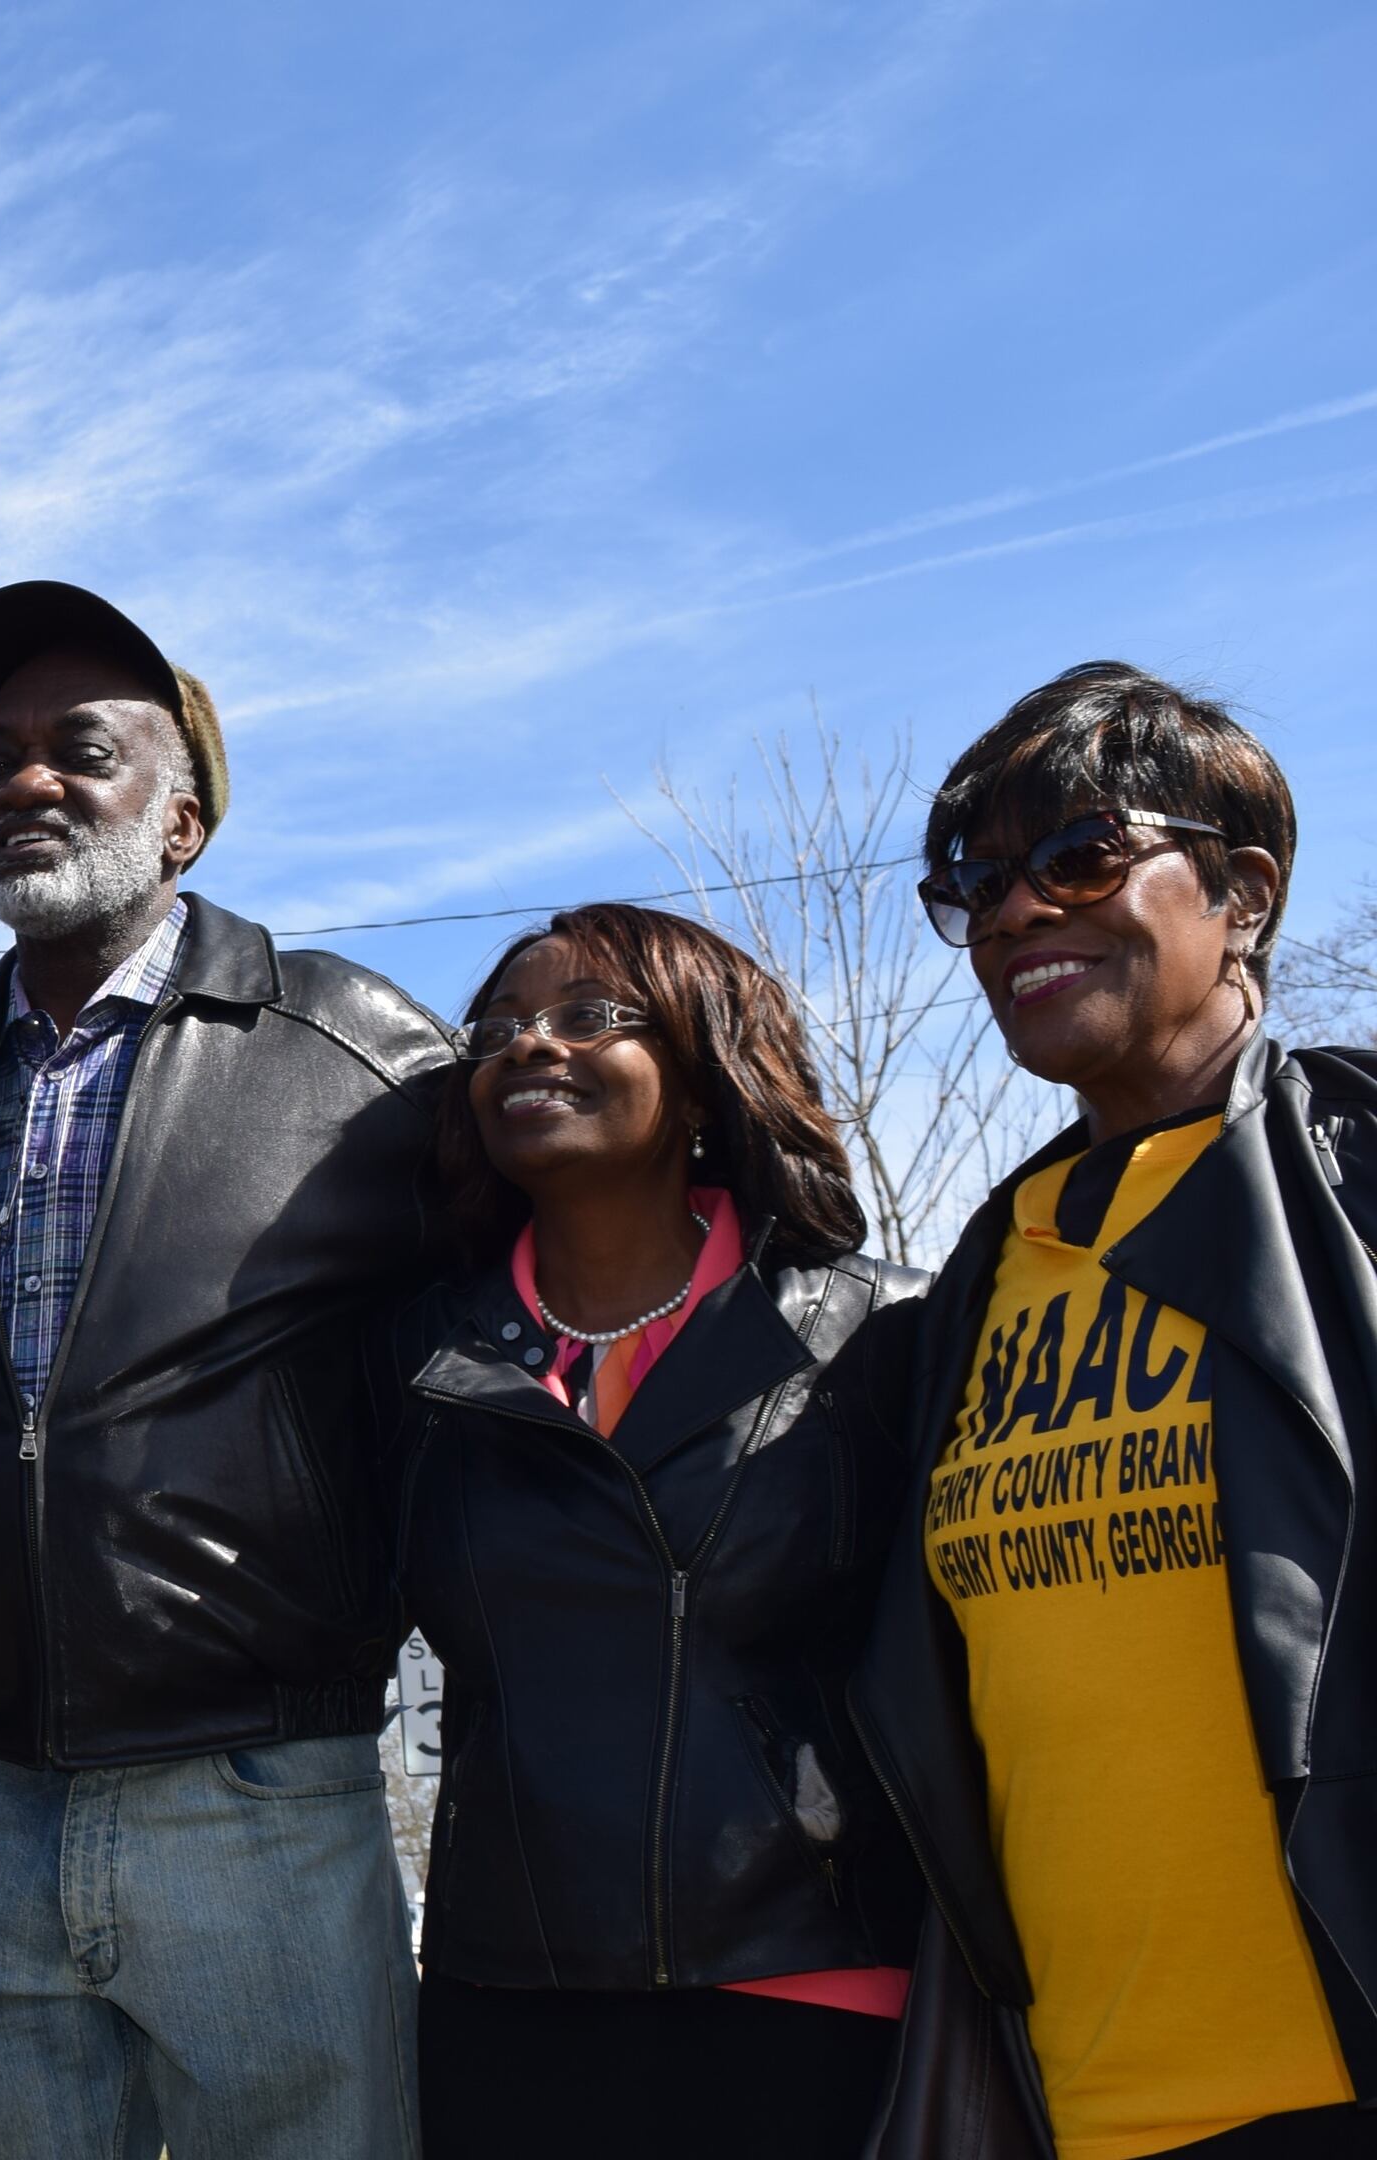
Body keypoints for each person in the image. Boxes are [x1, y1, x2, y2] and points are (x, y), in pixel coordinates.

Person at [0, 580, 450, 2157]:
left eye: (80, 749)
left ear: (184, 820)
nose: (26, 781)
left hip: (258, 1796)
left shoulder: (357, 1062)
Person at [858, 664, 1377, 2160]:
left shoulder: (1356, 1181)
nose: (1018, 911)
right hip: (1068, 2103)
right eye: (978, 883)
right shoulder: (984, 1277)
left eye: (1082, 854)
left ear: (1245, 895)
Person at [362, 905, 925, 2158]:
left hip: (816, 1984)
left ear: (706, 1061)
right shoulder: (412, 1363)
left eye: (587, 1017)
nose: (528, 1048)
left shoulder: (883, 1336)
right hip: (511, 1996)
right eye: (497, 1031)